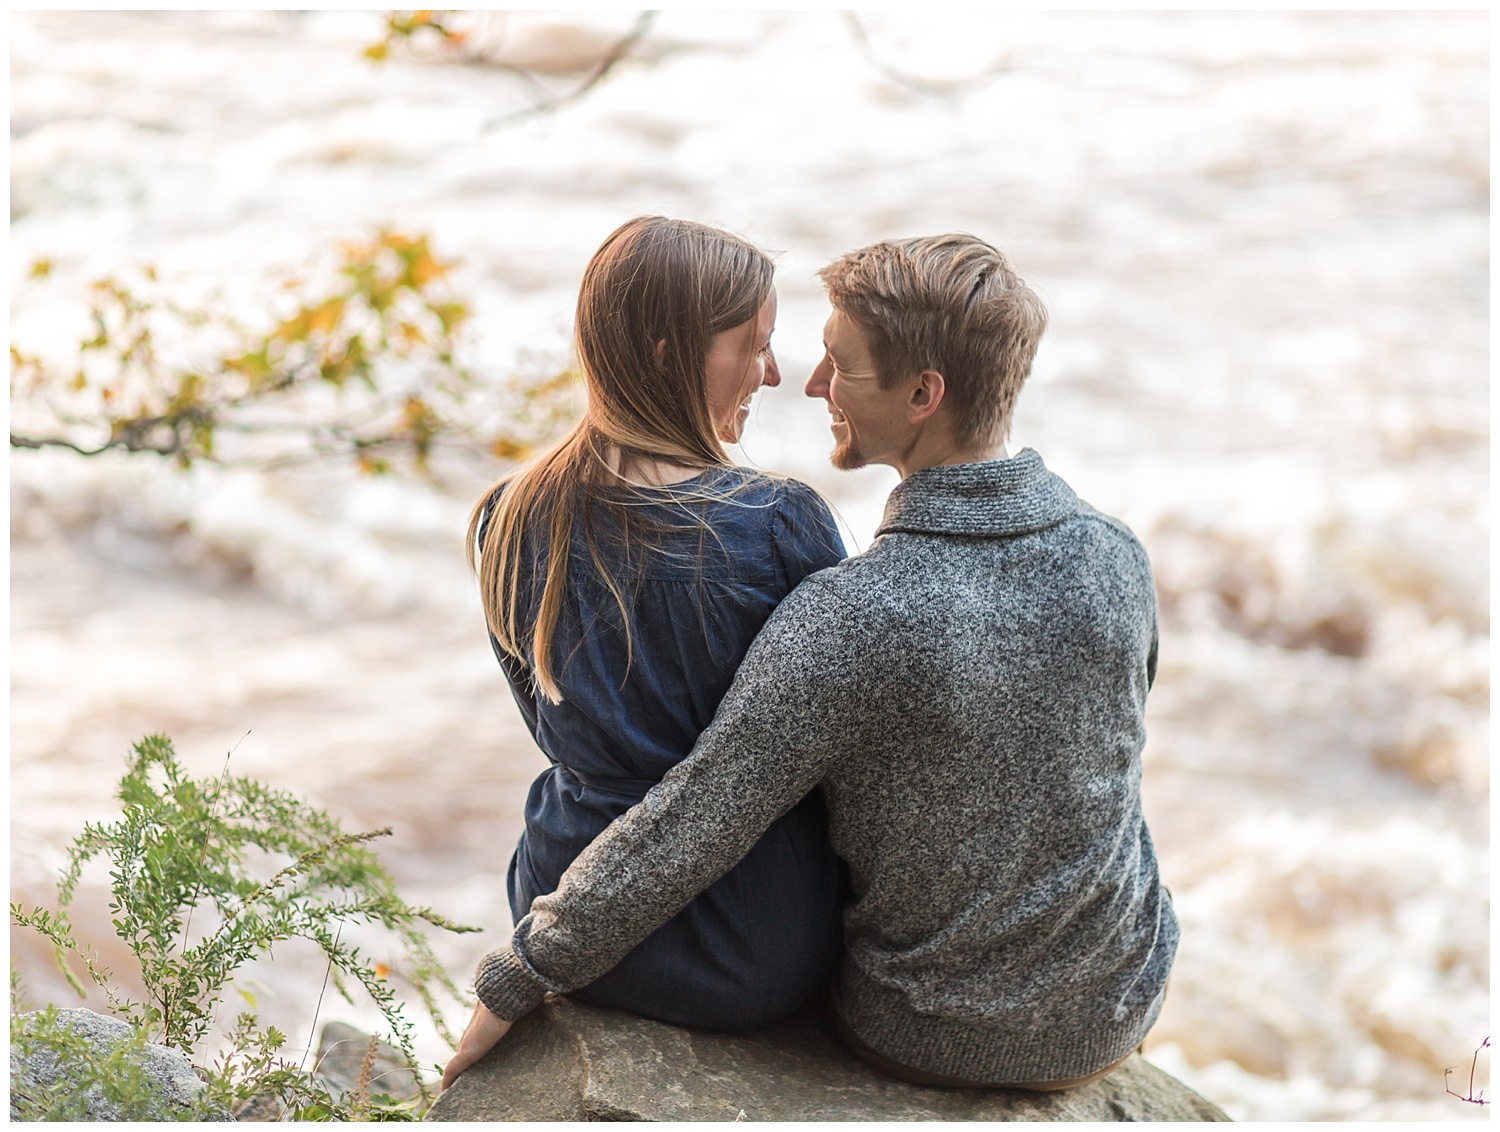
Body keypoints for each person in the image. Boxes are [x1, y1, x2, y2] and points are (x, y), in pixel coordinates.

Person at [443, 232, 1179, 1092]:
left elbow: (679, 796)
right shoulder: (1117, 553)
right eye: (769, 348)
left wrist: (519, 972)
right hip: (1119, 997)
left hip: (891, 1017)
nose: (805, 381)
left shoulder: (847, 614)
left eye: (837, 363)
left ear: (921, 394)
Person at [461, 216, 847, 1034]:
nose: (773, 374)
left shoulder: (508, 515)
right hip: (746, 946)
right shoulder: (779, 523)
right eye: (755, 346)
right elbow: (836, 750)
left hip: (559, 901)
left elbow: (551, 723)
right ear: (673, 355)